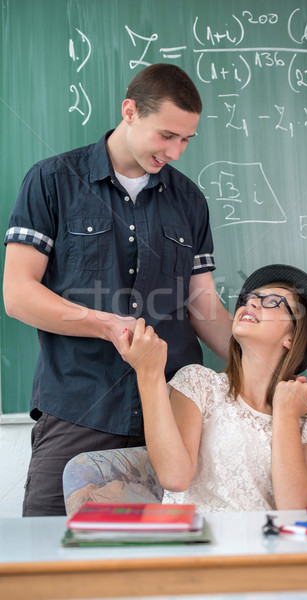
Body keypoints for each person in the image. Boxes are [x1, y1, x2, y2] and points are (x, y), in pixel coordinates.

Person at [3, 63, 232, 516]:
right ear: (130, 111)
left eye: (186, 139)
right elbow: (17, 294)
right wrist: (107, 325)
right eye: (167, 135)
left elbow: (203, 305)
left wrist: (266, 367)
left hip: (171, 419)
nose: (177, 152)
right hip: (78, 407)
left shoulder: (190, 200)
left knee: (161, 572)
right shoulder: (51, 181)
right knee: (50, 564)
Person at [119, 264, 307, 512]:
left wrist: (285, 415)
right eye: (249, 298)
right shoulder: (199, 384)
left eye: (273, 301)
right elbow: (174, 478)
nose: (251, 303)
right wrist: (149, 374)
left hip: (267, 549)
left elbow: (294, 510)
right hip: (200, 544)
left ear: (291, 338)